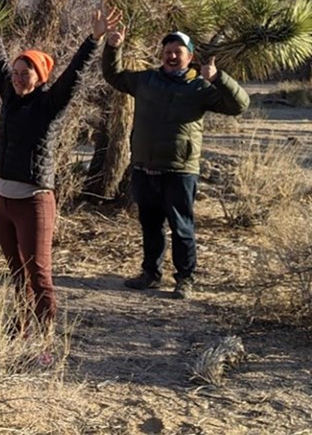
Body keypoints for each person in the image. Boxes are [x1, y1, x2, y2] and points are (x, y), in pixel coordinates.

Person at [0, 0, 117, 339]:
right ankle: (21, 327)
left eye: (27, 73)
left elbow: (74, 76)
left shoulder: (49, 104)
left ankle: (45, 336)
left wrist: (93, 40)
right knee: (16, 271)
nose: (19, 77)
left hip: (34, 201)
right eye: (18, 72)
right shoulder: (9, 95)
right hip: (3, 200)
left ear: (40, 77)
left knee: (39, 273)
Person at [100, 22, 250, 299]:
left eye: (178, 51)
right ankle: (150, 273)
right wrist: (113, 47)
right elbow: (114, 75)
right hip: (145, 166)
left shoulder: (200, 87)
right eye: (167, 51)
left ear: (189, 56)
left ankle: (185, 279)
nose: (171, 55)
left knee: (182, 227)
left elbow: (239, 105)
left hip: (180, 169)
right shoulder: (146, 80)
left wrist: (218, 79)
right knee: (150, 224)